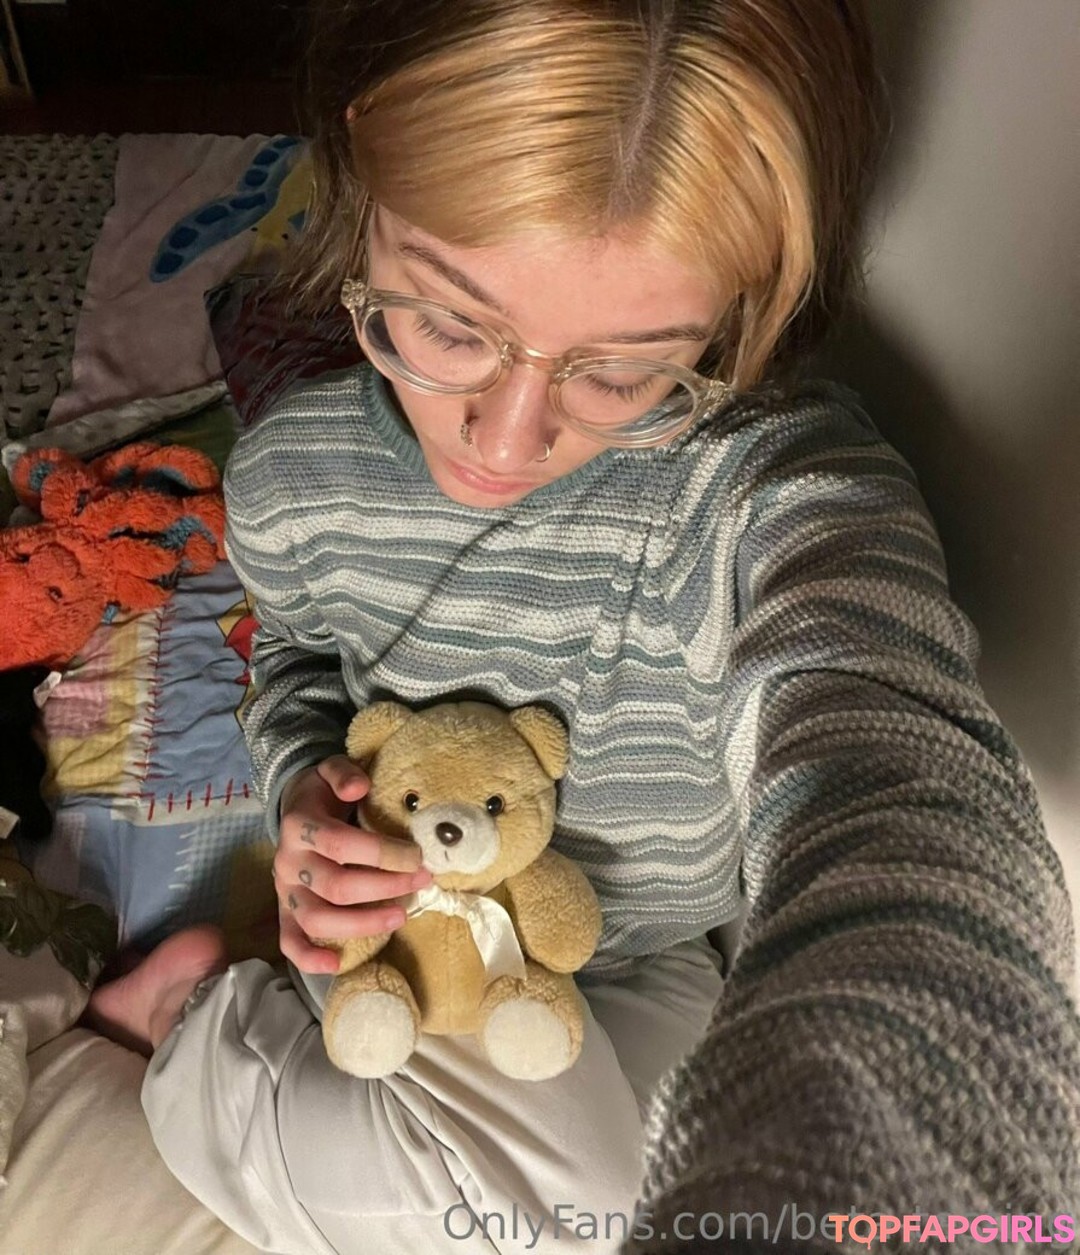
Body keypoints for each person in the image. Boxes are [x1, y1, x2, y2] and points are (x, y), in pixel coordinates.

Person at [87, 1, 1080, 1252]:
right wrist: (305, 792)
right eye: (451, 324)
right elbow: (292, 654)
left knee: (616, 1214)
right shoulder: (294, 478)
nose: (507, 443)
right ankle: (192, 1032)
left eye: (619, 370)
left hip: (654, 954)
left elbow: (890, 763)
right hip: (415, 935)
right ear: (362, 173)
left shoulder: (772, 491)